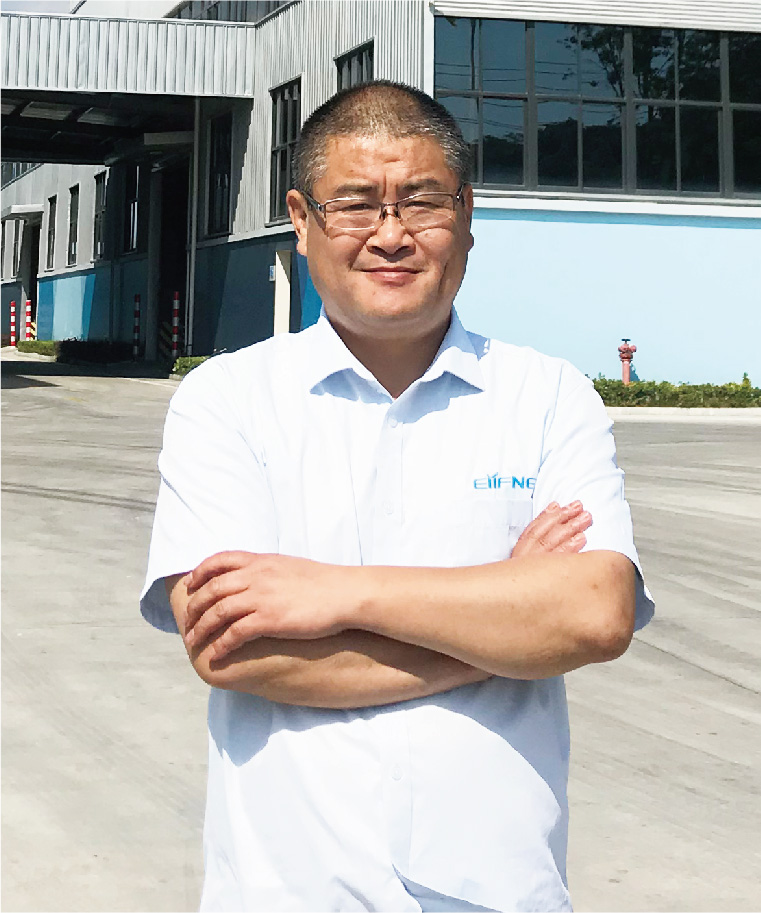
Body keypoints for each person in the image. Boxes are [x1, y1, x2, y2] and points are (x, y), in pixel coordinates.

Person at [141, 80, 654, 912]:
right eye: (355, 204)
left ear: (466, 212)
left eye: (421, 201)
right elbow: (233, 651)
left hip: (498, 892)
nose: (390, 234)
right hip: (288, 890)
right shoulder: (227, 401)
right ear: (302, 219)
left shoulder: (546, 396)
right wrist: (503, 623)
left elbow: (595, 615)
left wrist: (338, 593)